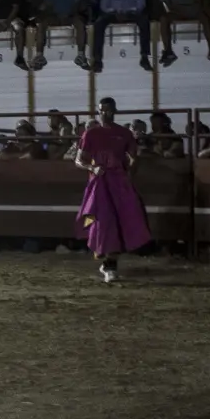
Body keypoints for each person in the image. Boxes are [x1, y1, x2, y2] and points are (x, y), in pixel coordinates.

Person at [73, 98, 151, 283]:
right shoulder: (91, 134)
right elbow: (78, 160)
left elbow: (134, 157)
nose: (104, 114)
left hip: (119, 182)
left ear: (114, 111)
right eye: (102, 110)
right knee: (104, 220)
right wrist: (92, 168)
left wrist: (129, 173)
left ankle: (110, 261)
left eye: (108, 110)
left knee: (125, 218)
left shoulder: (123, 133)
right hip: (100, 182)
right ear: (98, 111)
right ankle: (109, 264)